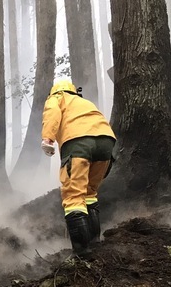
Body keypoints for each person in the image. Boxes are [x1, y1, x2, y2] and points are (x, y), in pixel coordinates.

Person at [42, 78, 116, 256]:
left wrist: (48, 139)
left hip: (78, 143)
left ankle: (83, 253)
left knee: (73, 196)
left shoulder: (57, 97)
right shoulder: (83, 101)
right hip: (106, 142)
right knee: (89, 193)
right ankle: (95, 243)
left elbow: (52, 113)